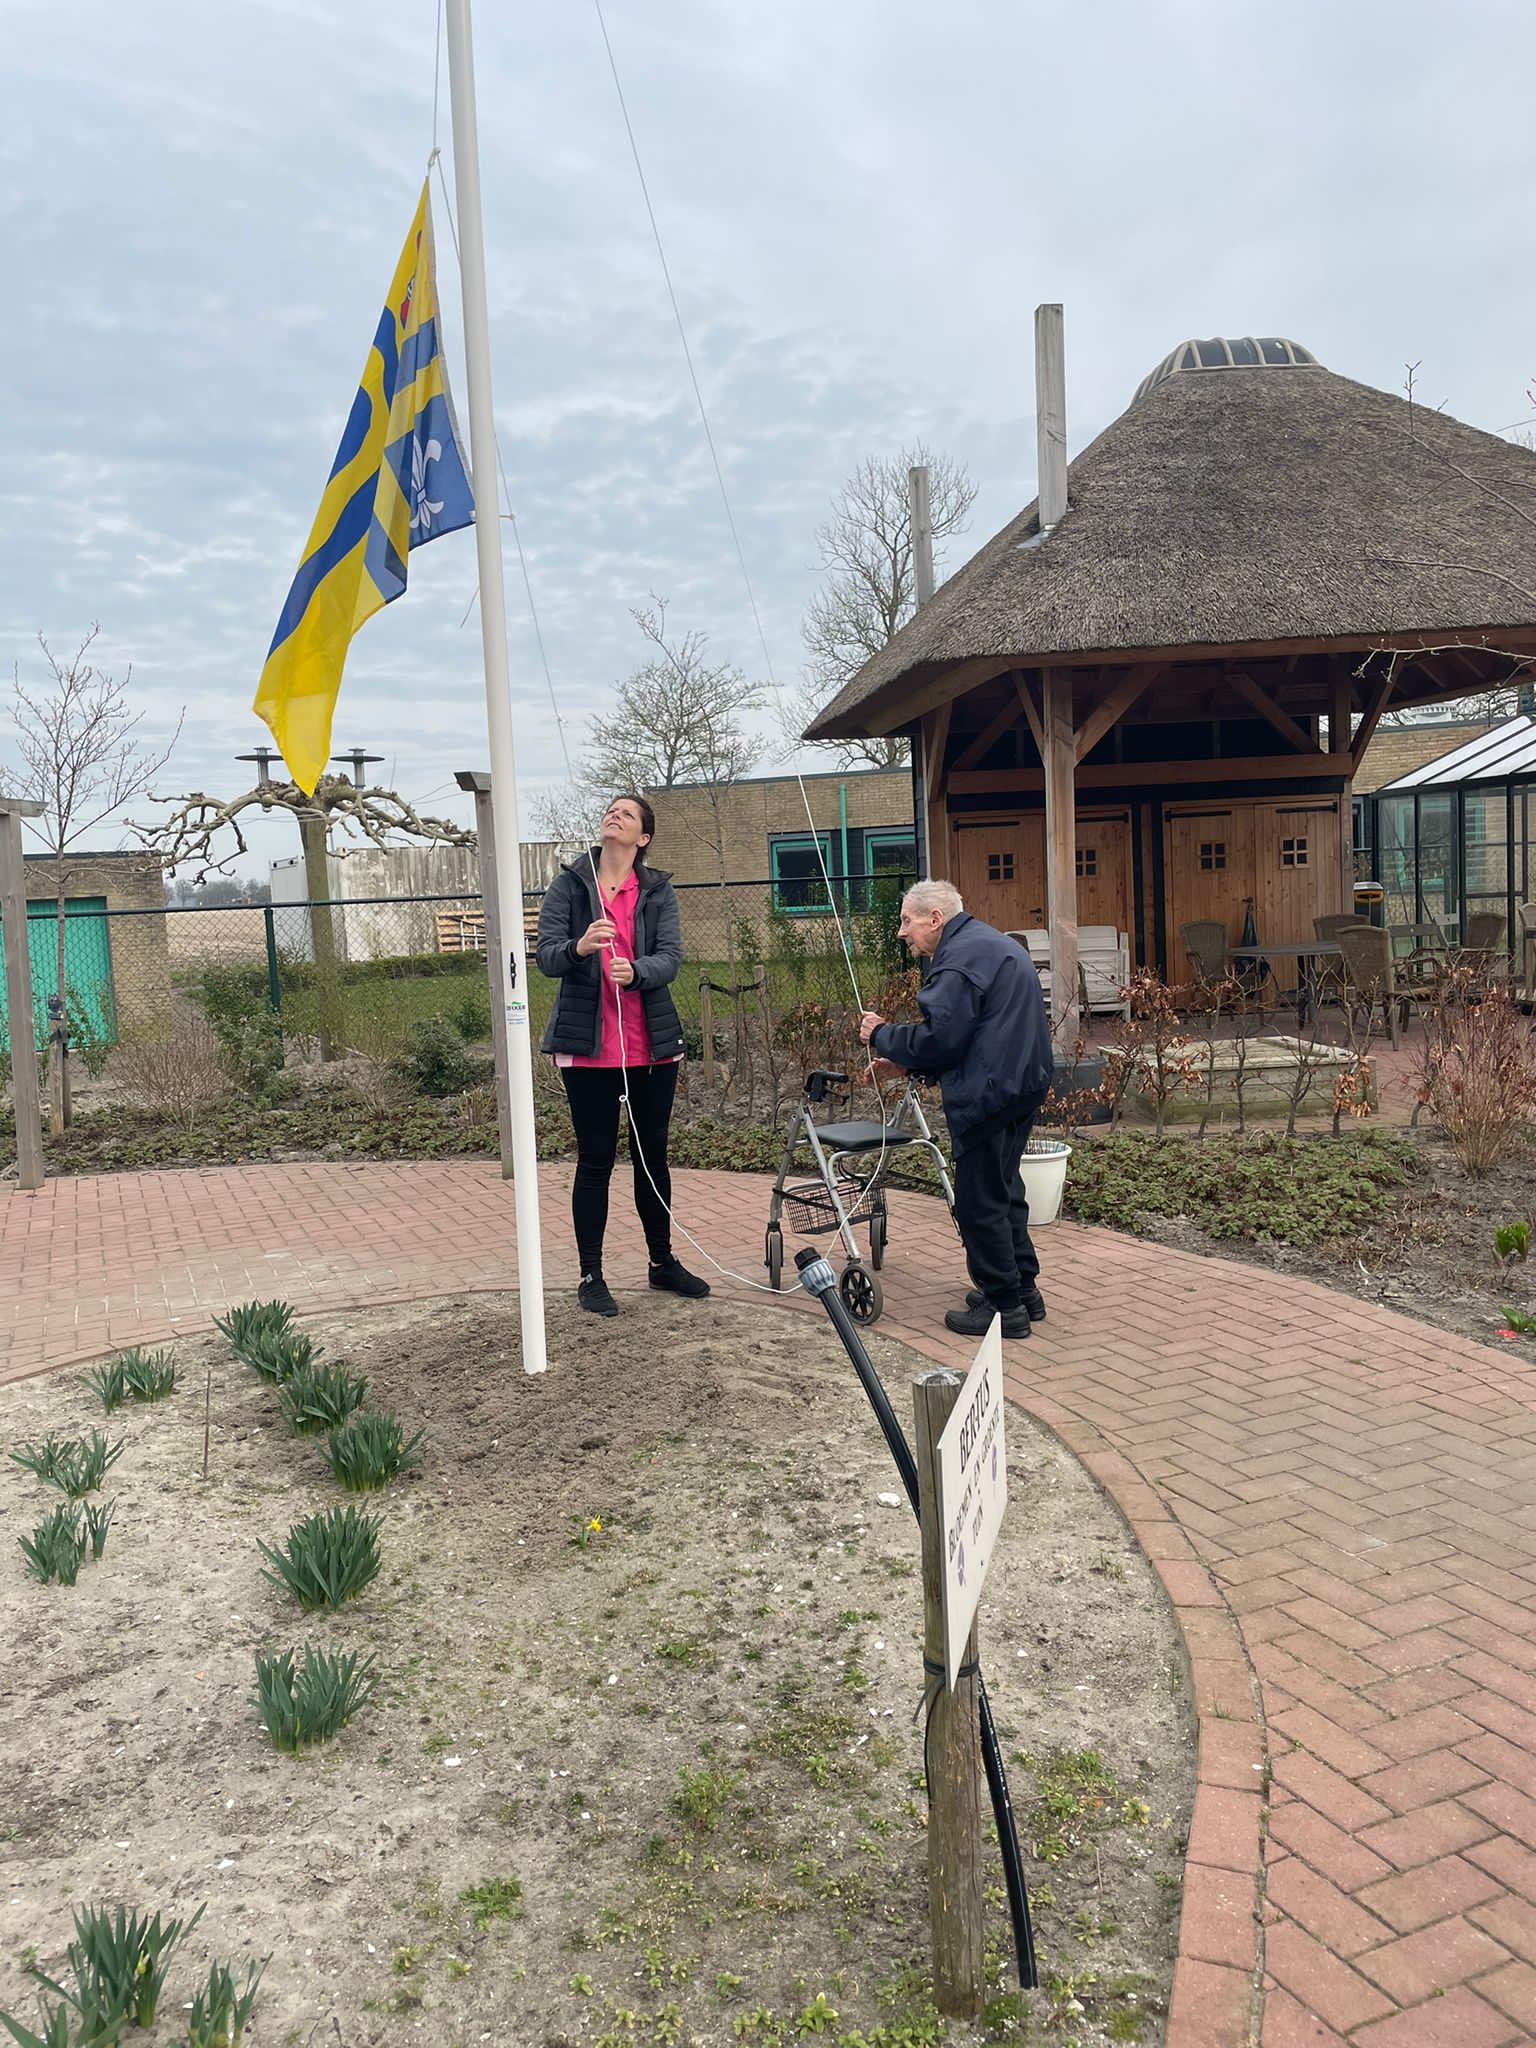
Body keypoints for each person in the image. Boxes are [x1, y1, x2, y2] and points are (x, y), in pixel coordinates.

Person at [536, 794, 709, 1316]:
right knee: (594, 1161)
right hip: (588, 1050)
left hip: (650, 1048)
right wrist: (580, 947)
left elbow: (671, 959)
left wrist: (636, 971)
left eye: (628, 814)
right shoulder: (570, 885)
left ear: (643, 837)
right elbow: (546, 956)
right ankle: (591, 1275)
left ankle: (661, 1262)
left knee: (651, 1157)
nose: (615, 815)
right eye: (612, 810)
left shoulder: (657, 890)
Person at [859, 879, 1053, 1341]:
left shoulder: (958, 962)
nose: (901, 932)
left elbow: (941, 1039)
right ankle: (1023, 1290)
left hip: (989, 1094)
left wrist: (881, 1034)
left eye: (906, 921)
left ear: (935, 919)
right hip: (1021, 1085)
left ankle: (1004, 1307)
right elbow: (970, 1034)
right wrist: (904, 1064)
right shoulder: (990, 944)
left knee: (978, 1201)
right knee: (1004, 1188)